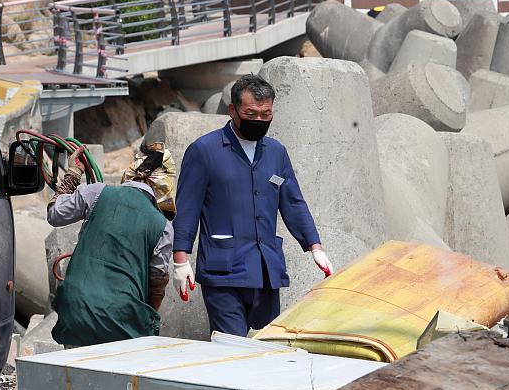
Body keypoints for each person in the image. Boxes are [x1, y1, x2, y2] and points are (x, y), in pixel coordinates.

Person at [170, 75, 332, 337]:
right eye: (251, 113)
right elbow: (187, 209)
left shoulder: (276, 152)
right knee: (232, 349)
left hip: (266, 270)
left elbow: (293, 201)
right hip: (224, 272)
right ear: (233, 110)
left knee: (267, 347)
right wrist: (180, 260)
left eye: (265, 114)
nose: (258, 120)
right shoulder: (204, 150)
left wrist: (315, 246)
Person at [47, 143, 175, 347]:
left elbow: (54, 214)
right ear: (165, 184)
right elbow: (156, 285)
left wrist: (73, 174)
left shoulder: (96, 192)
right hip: (121, 319)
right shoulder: (164, 227)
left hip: (76, 308)